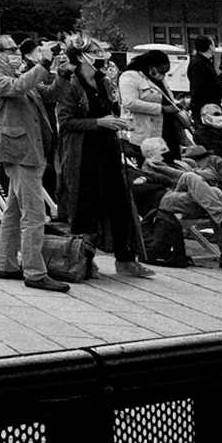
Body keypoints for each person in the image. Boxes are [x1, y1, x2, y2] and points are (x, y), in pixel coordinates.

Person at [54, 45, 152, 278]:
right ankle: (84, 259)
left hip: (108, 149)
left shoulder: (103, 81)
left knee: (120, 203)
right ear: (80, 57)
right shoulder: (71, 84)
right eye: (95, 51)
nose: (102, 55)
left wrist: (116, 122)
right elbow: (65, 122)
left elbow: (108, 112)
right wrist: (99, 123)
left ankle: (126, 258)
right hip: (84, 154)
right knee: (86, 206)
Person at [0, 33, 69, 293]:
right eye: (11, 49)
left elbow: (49, 93)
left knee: (13, 212)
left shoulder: (17, 74)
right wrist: (43, 65)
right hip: (20, 151)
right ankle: (35, 271)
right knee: (33, 214)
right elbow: (19, 87)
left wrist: (62, 73)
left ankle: (6, 263)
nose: (17, 53)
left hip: (28, 149)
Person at [133, 138, 222, 273]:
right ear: (151, 155)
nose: (168, 152)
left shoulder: (179, 163)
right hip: (165, 202)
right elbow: (174, 181)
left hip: (189, 198)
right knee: (190, 177)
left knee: (216, 191)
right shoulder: (149, 168)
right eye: (163, 150)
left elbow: (213, 175)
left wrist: (194, 175)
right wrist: (195, 175)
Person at [186, 36, 222, 120]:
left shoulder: (204, 61)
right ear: (210, 46)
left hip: (208, 104)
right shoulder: (198, 63)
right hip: (203, 106)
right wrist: (220, 84)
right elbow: (200, 86)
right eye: (214, 45)